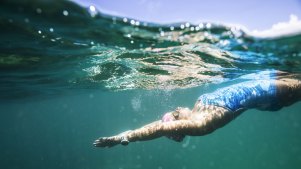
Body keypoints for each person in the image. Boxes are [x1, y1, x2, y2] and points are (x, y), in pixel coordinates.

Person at [93, 70, 301, 148]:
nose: (177, 108)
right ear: (178, 125)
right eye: (175, 114)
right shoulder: (199, 123)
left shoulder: (198, 109)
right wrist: (126, 135)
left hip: (264, 88)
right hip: (269, 92)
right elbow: (160, 128)